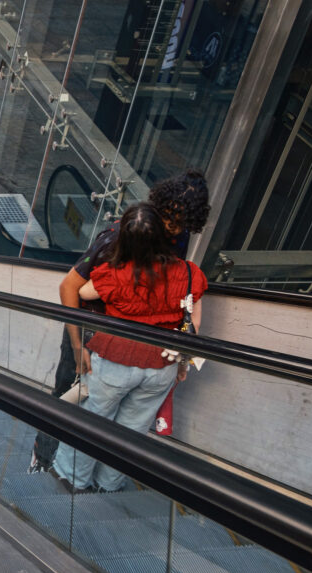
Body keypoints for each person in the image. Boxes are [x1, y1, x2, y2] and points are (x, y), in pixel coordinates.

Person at [29, 170, 210, 472]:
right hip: (88, 327)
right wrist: (77, 347)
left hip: (128, 339)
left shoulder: (178, 237)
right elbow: (69, 287)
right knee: (66, 395)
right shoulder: (120, 233)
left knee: (109, 414)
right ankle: (45, 460)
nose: (172, 227)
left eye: (180, 223)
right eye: (168, 217)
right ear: (160, 205)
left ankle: (85, 472)